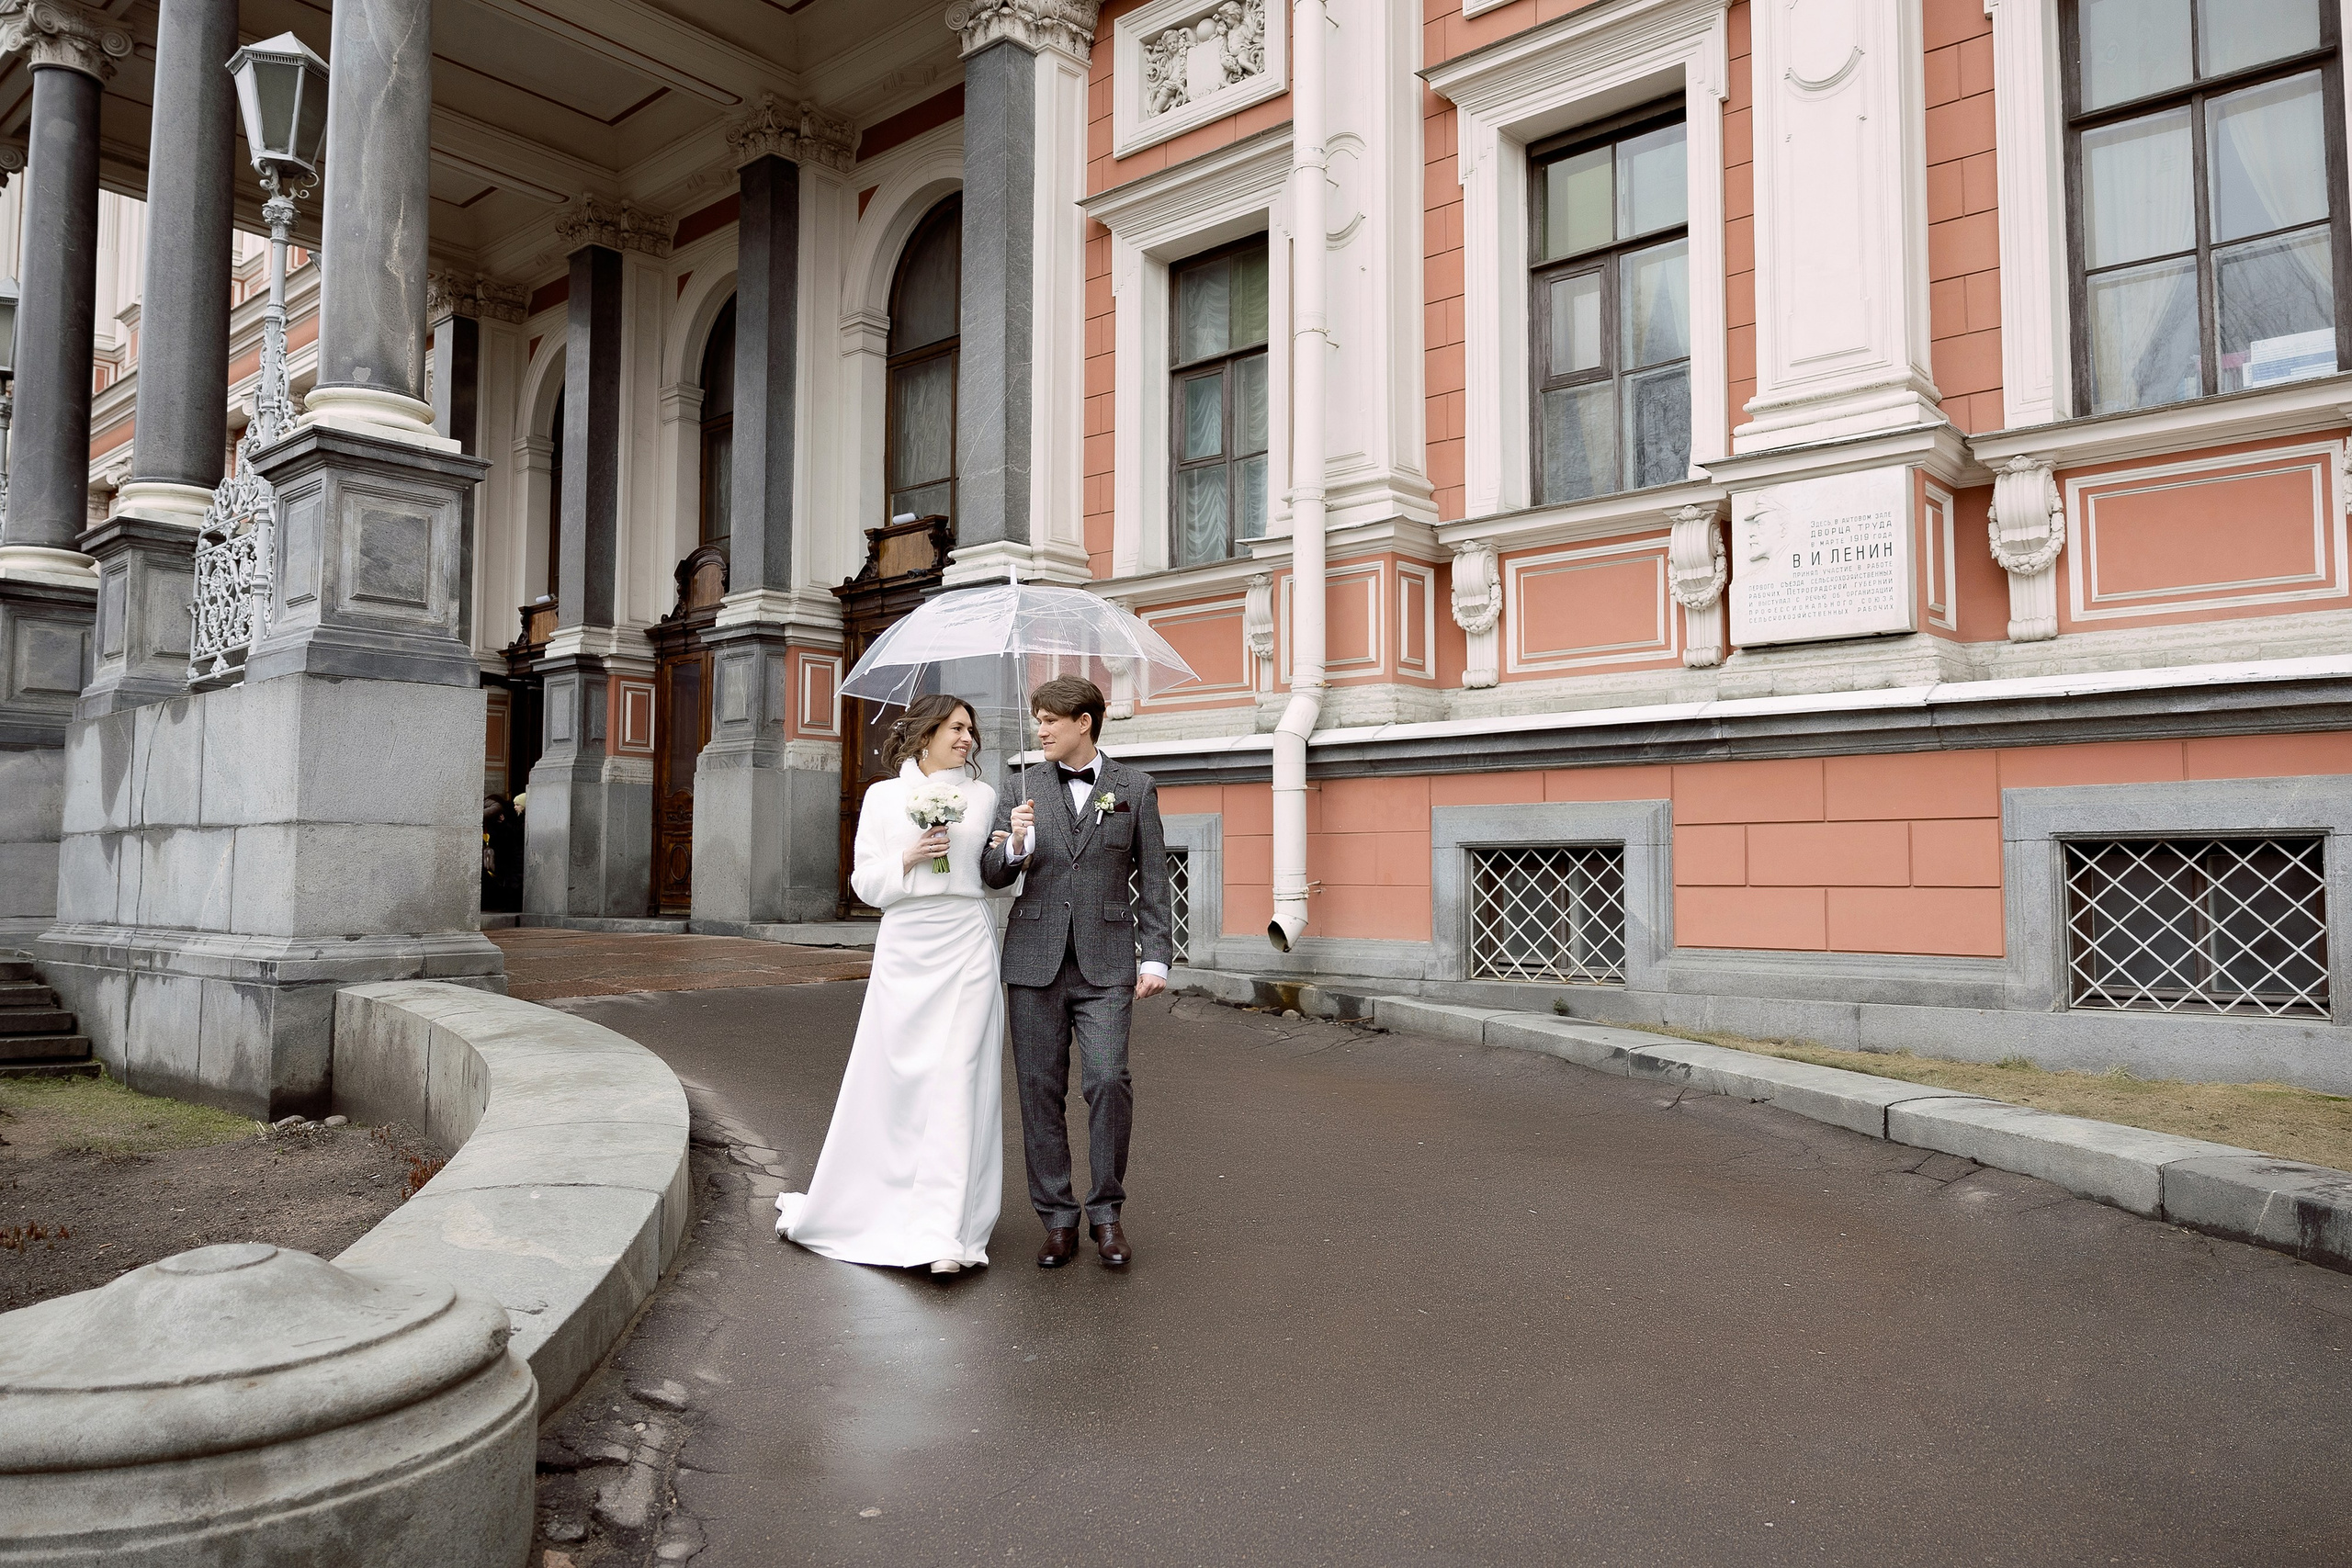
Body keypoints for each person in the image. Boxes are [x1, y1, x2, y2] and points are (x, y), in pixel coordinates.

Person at [775, 694, 1006, 1274]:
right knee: (897, 1076)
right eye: (957, 728)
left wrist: (1015, 845)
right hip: (906, 946)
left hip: (967, 943)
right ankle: (880, 1202)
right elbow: (863, 884)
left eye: (971, 730)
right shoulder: (882, 798)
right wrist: (909, 856)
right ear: (926, 733)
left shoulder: (984, 796)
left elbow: (992, 877)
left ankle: (943, 1232)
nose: (967, 739)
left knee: (960, 1077)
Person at [980, 676, 1171, 1269]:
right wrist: (1013, 844)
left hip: (1107, 960)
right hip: (1033, 958)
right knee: (1039, 1090)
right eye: (1037, 719)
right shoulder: (1019, 785)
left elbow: (1155, 878)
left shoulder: (1134, 788)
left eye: (1050, 721)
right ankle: (1057, 1218)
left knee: (1108, 1079)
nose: (1041, 730)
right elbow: (991, 873)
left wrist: (1156, 954)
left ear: (1084, 722)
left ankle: (1106, 1213)